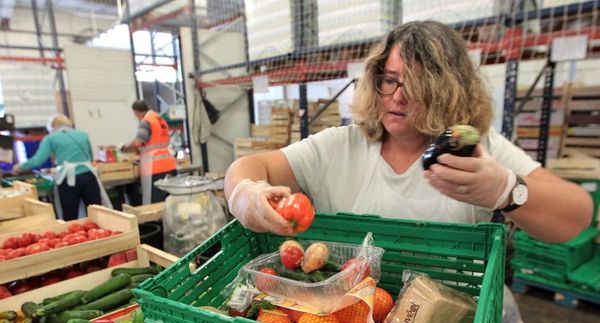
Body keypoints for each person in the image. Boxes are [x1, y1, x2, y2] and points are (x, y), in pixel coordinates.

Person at [224, 21, 593, 244]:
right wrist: (246, 195)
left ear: (449, 90)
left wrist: (506, 190)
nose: (398, 97)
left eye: (417, 85)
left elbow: (577, 214)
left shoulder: (477, 150)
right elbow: (252, 166)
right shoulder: (341, 146)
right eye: (390, 80)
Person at [12, 114, 109, 220]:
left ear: (51, 127)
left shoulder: (50, 138)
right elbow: (89, 157)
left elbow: (38, 160)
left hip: (68, 180)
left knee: (70, 217)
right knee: (97, 214)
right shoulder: (83, 134)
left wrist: (19, 167)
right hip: (88, 177)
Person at [122, 100, 176, 204]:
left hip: (155, 168)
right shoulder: (159, 119)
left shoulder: (146, 121)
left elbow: (138, 142)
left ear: (137, 112)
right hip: (169, 164)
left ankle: (158, 221)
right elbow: (155, 141)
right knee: (170, 200)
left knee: (157, 203)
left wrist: (126, 148)